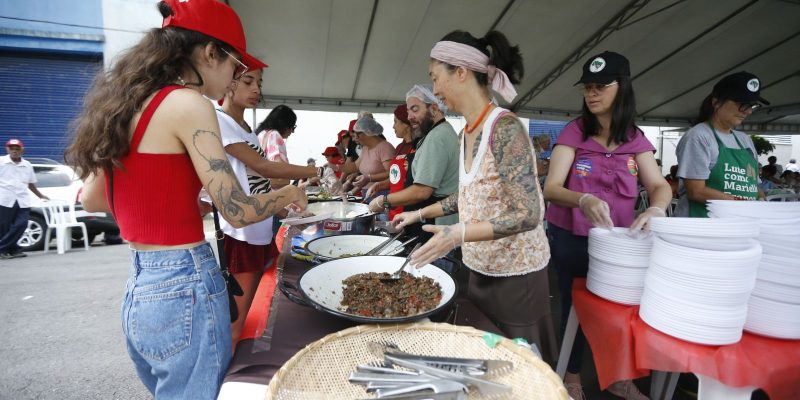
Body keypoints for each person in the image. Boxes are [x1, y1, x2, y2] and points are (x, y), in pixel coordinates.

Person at [64, 1, 307, 398]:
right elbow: (238, 210)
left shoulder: (124, 104)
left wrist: (178, 201)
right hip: (184, 284)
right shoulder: (189, 103)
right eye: (235, 66)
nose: (234, 79)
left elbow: (94, 199)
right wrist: (288, 194)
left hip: (141, 287)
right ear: (210, 53)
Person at [393, 29, 557, 366]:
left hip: (516, 279)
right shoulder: (467, 131)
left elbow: (528, 214)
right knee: (486, 367)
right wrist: (419, 215)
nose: (435, 90)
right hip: (479, 269)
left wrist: (458, 233)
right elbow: (467, 197)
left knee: (521, 370)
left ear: (462, 72)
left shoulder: (505, 128)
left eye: (436, 77)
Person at [543, 51, 671, 400]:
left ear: (623, 87)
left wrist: (657, 209)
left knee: (621, 310)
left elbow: (660, 185)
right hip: (573, 238)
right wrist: (581, 199)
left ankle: (619, 377)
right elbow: (552, 188)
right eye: (587, 87)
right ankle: (570, 376)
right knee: (576, 309)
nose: (592, 94)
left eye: (601, 86)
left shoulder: (635, 138)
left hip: (619, 242)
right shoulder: (575, 132)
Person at [216, 67, 320, 346]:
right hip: (242, 235)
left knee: (252, 313)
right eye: (248, 81)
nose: (256, 90)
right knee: (237, 323)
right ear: (228, 83)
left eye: (259, 83)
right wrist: (314, 172)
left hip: (258, 231)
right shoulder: (221, 121)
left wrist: (286, 213)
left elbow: (261, 184)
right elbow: (264, 167)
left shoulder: (248, 131)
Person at [369, 86, 459, 243]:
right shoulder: (439, 132)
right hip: (429, 221)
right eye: (409, 111)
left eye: (415, 109)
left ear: (434, 108)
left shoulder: (436, 138)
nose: (410, 117)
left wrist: (383, 201)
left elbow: (421, 191)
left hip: (434, 227)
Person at [675, 71, 770, 217]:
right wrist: (741, 204)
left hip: (738, 222)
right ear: (716, 102)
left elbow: (753, 186)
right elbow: (696, 191)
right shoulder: (699, 136)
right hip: (702, 225)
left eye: (752, 105)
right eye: (742, 104)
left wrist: (762, 200)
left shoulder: (744, 140)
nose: (749, 111)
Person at [0, 138, 49, 259]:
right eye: (12, 148)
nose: (15, 151)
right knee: (4, 227)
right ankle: (13, 250)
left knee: (21, 225)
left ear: (22, 150)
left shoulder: (27, 165)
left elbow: (31, 183)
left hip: (22, 200)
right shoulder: (1, 162)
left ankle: (2, 248)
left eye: (17, 148)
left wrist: (40, 195)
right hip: (5, 199)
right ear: (7, 149)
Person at [330, 117, 394, 201]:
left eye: (357, 135)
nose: (355, 138)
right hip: (368, 193)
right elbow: (355, 166)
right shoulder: (365, 148)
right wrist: (335, 167)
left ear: (367, 133)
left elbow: (391, 174)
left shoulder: (385, 147)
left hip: (381, 194)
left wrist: (369, 178)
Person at [256, 105, 296, 190]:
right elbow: (280, 168)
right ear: (284, 124)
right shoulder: (274, 135)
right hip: (273, 193)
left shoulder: (261, 134)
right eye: (292, 127)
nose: (292, 131)